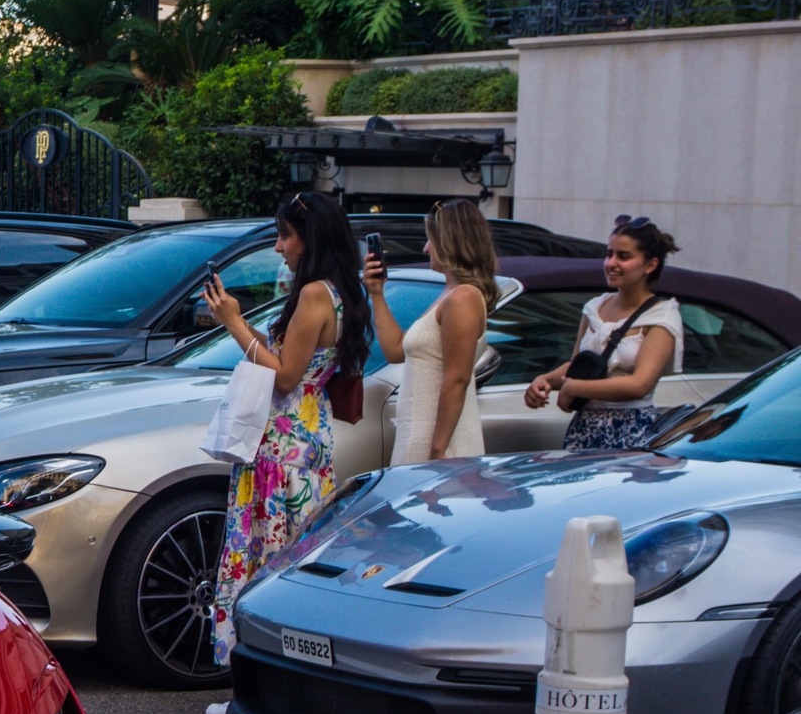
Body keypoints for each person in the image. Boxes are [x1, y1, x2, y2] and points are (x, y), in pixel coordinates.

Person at [201, 190, 370, 671]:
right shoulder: (336, 291)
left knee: (267, 560)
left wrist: (235, 324)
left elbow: (286, 375)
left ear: (309, 239)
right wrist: (235, 322)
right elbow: (286, 362)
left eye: (285, 236)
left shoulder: (316, 293)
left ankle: (258, 674)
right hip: (304, 444)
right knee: (288, 560)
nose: (279, 247)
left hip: (283, 450)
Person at [524, 215, 683, 452]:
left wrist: (575, 388)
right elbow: (578, 365)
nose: (611, 263)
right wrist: (545, 380)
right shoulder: (594, 307)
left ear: (650, 265)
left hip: (631, 430)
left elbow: (639, 384)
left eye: (624, 256)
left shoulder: (661, 316)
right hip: (584, 428)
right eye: (609, 254)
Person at [365, 198, 496, 464]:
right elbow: (395, 350)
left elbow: (457, 379)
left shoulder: (463, 298)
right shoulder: (451, 294)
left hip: (440, 443)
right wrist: (377, 294)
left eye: (431, 240)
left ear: (450, 243)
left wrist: (437, 450)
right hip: (419, 434)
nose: (426, 249)